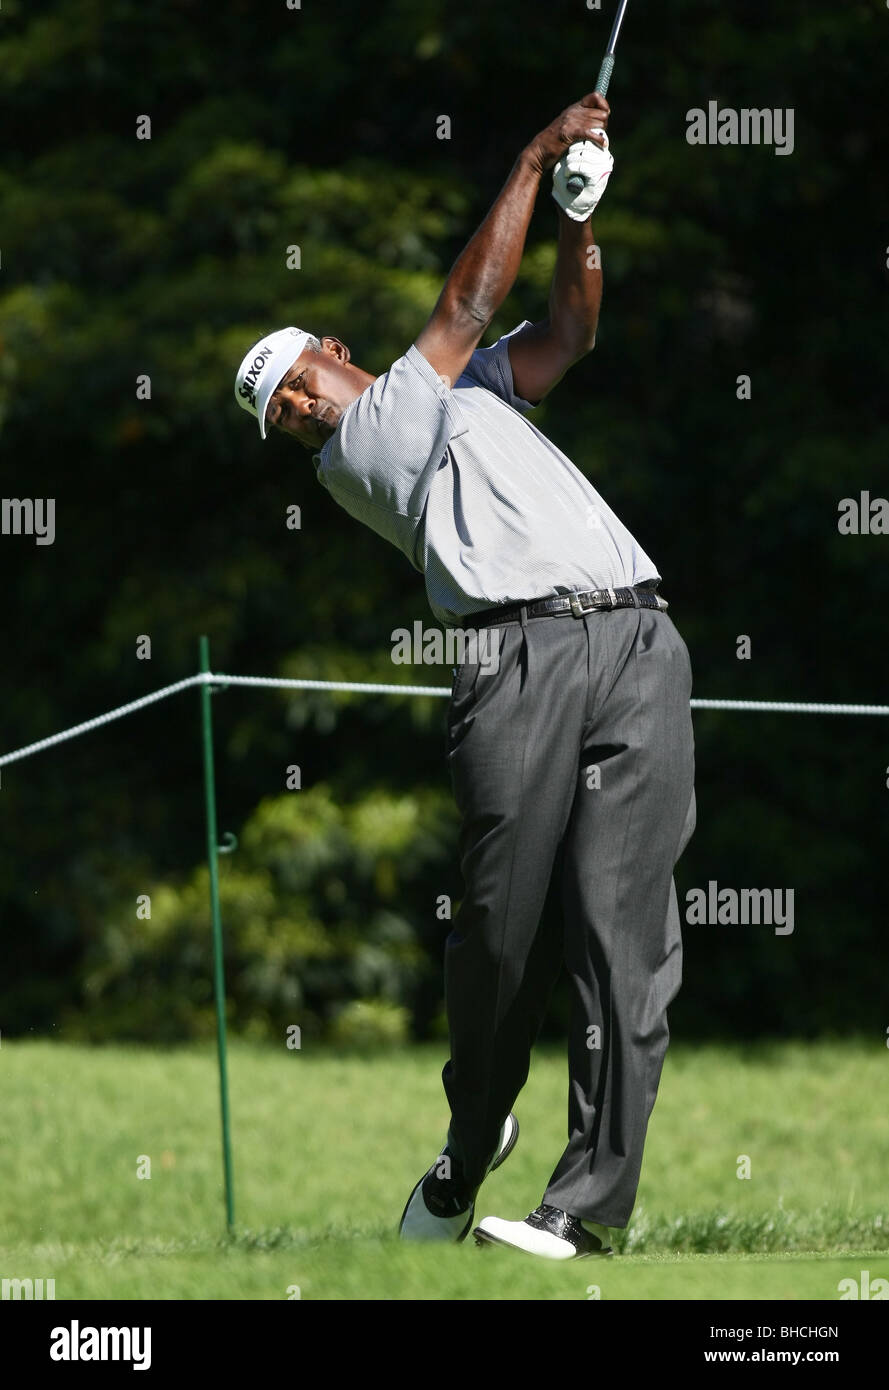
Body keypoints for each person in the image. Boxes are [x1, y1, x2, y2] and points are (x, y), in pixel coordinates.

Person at [234, 92, 696, 1261]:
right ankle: (469, 1140)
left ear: (328, 352)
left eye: (292, 379)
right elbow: (468, 300)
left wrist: (579, 217)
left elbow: (564, 334)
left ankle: (582, 1212)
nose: (293, 408)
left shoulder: (469, 389)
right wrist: (537, 156)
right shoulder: (365, 446)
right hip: (514, 658)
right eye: (277, 415)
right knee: (498, 933)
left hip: (637, 640)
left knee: (620, 940)